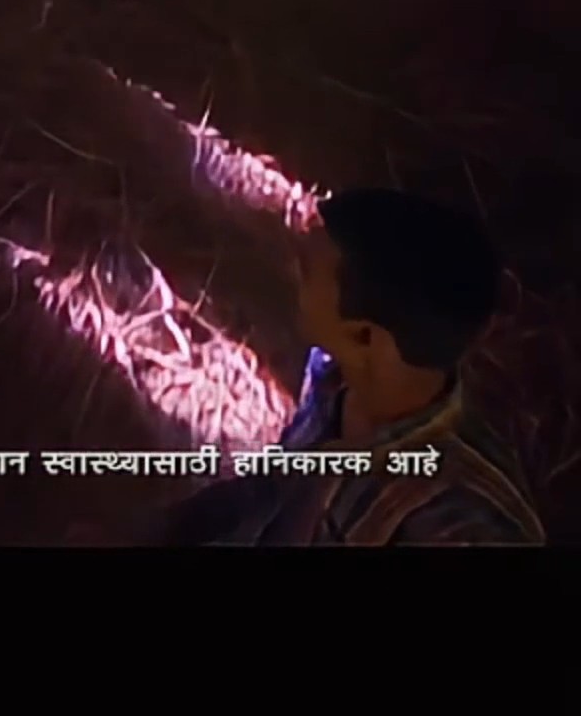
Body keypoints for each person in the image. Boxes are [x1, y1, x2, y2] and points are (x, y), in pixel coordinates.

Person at [161, 189, 543, 545]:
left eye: (307, 272)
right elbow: (273, 488)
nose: (292, 272)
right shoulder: (334, 377)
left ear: (364, 336)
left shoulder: (457, 523)